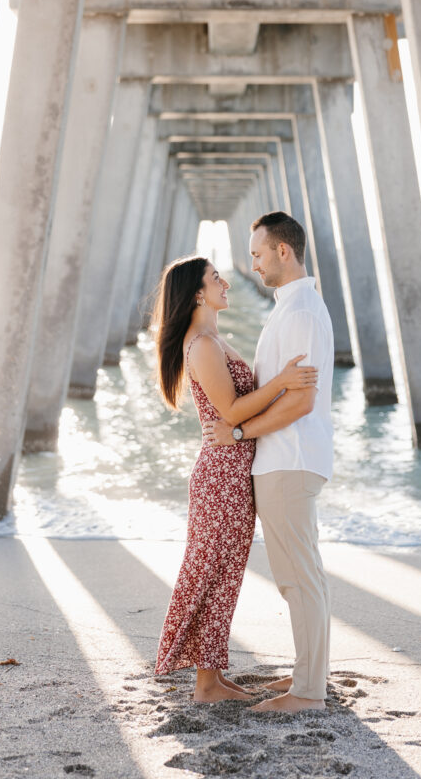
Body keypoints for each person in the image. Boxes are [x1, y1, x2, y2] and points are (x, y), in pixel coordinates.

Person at [152, 254, 319, 703]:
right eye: (215, 278)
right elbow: (231, 412)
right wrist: (282, 382)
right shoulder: (203, 345)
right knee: (209, 571)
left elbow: (236, 411)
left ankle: (213, 677)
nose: (226, 282)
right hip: (221, 475)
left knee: (224, 574)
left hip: (231, 472)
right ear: (197, 294)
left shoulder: (212, 339)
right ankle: (205, 685)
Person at [203, 212, 334, 714]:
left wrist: (238, 431)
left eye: (257, 254)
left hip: (289, 458)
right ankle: (311, 676)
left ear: (283, 251)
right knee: (305, 577)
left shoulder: (300, 312)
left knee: (297, 579)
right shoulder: (292, 308)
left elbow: (300, 402)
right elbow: (285, 390)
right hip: (287, 459)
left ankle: (307, 693)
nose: (252, 265)